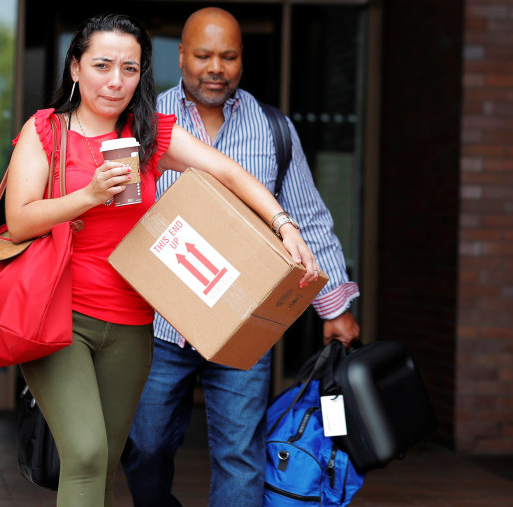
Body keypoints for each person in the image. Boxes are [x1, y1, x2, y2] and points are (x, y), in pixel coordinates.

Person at [4, 13, 321, 507]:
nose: (115, 80)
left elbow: (231, 174)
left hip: (131, 326)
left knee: (107, 463)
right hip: (59, 317)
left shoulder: (149, 135)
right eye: (102, 65)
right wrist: (88, 195)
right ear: (75, 68)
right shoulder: (46, 131)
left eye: (129, 69)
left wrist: (284, 224)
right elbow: (20, 219)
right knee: (86, 455)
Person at [121, 7, 361, 507]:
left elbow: (310, 219)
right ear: (180, 54)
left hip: (243, 325)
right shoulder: (145, 123)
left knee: (240, 457)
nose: (216, 67)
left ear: (241, 59)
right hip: (159, 325)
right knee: (144, 448)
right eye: (203, 55)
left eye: (228, 56)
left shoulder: (274, 130)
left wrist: (334, 308)